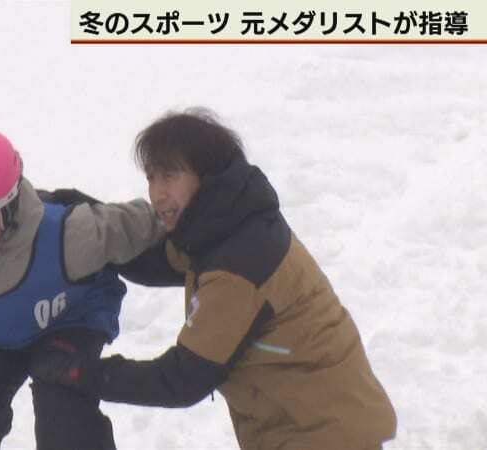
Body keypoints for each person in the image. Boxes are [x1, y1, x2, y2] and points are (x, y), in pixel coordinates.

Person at [30, 108, 397, 450]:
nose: (157, 194)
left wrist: (80, 371)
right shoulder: (225, 224)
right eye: (151, 177)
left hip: (323, 435)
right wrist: (72, 209)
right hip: (310, 424)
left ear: (206, 177)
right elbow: (157, 260)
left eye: (170, 175)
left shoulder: (238, 264)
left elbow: (182, 379)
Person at [0, 124, 164, 450]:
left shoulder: (70, 236)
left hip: (69, 320)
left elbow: (151, 224)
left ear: (7, 203)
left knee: (63, 416)